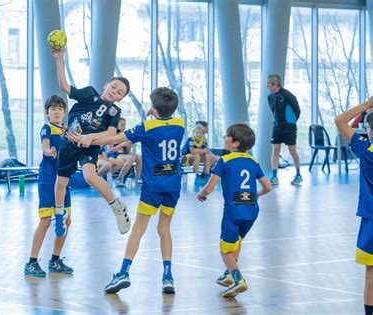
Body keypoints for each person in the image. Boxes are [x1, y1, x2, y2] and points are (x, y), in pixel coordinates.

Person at [69, 87, 184, 294]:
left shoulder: (146, 127)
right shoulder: (180, 124)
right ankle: (168, 276)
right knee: (164, 229)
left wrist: (89, 139)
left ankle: (123, 272)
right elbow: (151, 131)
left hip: (153, 186)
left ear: (152, 109)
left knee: (138, 229)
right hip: (173, 184)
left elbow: (115, 138)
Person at [51, 47, 131, 236]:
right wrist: (59, 60)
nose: (115, 92)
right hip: (69, 144)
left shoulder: (114, 113)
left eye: (119, 92)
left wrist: (90, 138)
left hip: (90, 146)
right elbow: (64, 86)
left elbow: (110, 133)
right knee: (61, 182)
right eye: (114, 87)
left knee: (90, 176)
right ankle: (59, 212)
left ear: (121, 98)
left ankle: (117, 207)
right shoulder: (89, 93)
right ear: (106, 85)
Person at [197, 123, 272, 298]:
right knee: (236, 241)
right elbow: (267, 187)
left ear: (235, 143)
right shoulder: (253, 162)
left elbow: (209, 187)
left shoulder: (224, 160)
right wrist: (256, 195)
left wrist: (202, 194)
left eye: (227, 136)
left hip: (233, 212)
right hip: (252, 211)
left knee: (225, 250)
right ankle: (229, 274)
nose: (225, 138)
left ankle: (238, 279)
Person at [24, 95, 73, 277]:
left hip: (64, 180)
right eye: (53, 109)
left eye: (60, 108)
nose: (57, 111)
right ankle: (31, 262)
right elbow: (45, 147)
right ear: (47, 113)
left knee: (66, 221)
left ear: (64, 112)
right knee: (45, 221)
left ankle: (55, 260)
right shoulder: (47, 128)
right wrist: (49, 151)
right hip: (48, 179)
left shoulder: (68, 130)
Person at [335, 98, 373, 315]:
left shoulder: (366, 150)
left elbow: (340, 121)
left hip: (371, 219)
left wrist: (367, 104)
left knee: (371, 274)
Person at [266, 73, 302, 186]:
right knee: (276, 149)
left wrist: (290, 122)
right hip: (277, 127)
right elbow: (274, 112)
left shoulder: (288, 96)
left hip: (289, 127)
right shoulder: (270, 97)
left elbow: (297, 111)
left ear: (275, 84)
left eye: (269, 84)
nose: (267, 86)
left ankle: (298, 174)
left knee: (292, 150)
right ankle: (274, 176)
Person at [107, 117, 143, 187]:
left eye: (125, 125)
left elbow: (127, 151)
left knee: (139, 157)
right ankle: (120, 178)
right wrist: (121, 145)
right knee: (131, 158)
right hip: (114, 155)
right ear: (116, 125)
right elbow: (110, 151)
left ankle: (138, 177)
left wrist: (129, 146)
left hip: (124, 155)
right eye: (122, 125)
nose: (124, 127)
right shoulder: (112, 135)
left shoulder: (125, 135)